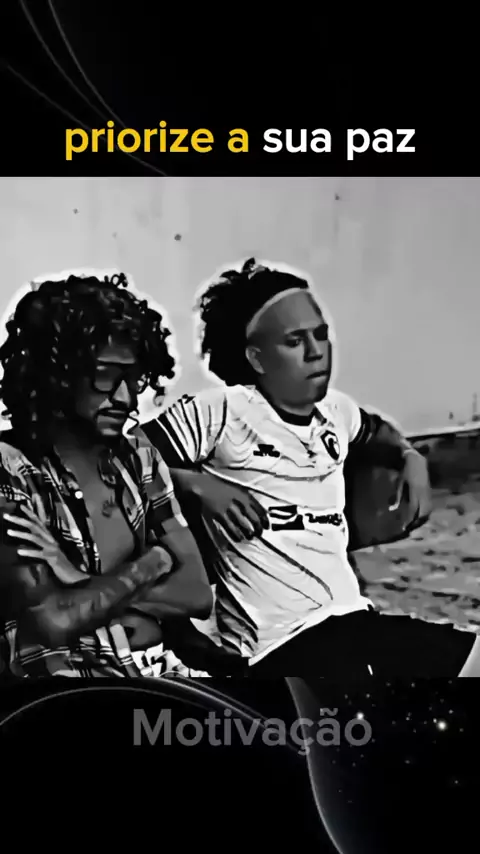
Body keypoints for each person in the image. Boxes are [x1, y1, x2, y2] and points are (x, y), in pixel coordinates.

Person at [135, 258, 480, 680]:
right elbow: (120, 458)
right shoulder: (222, 411)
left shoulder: (336, 411)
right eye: (295, 341)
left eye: (321, 335)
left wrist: (411, 457)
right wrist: (195, 484)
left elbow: (376, 431)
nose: (316, 352)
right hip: (280, 648)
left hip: (354, 625)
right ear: (256, 357)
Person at [0, 271, 214, 678]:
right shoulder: (10, 471)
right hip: (68, 688)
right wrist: (153, 562)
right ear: (57, 373)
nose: (126, 397)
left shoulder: (140, 459)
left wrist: (78, 579)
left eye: (134, 378)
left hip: (162, 675)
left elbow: (198, 594)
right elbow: (54, 621)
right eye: (105, 376)